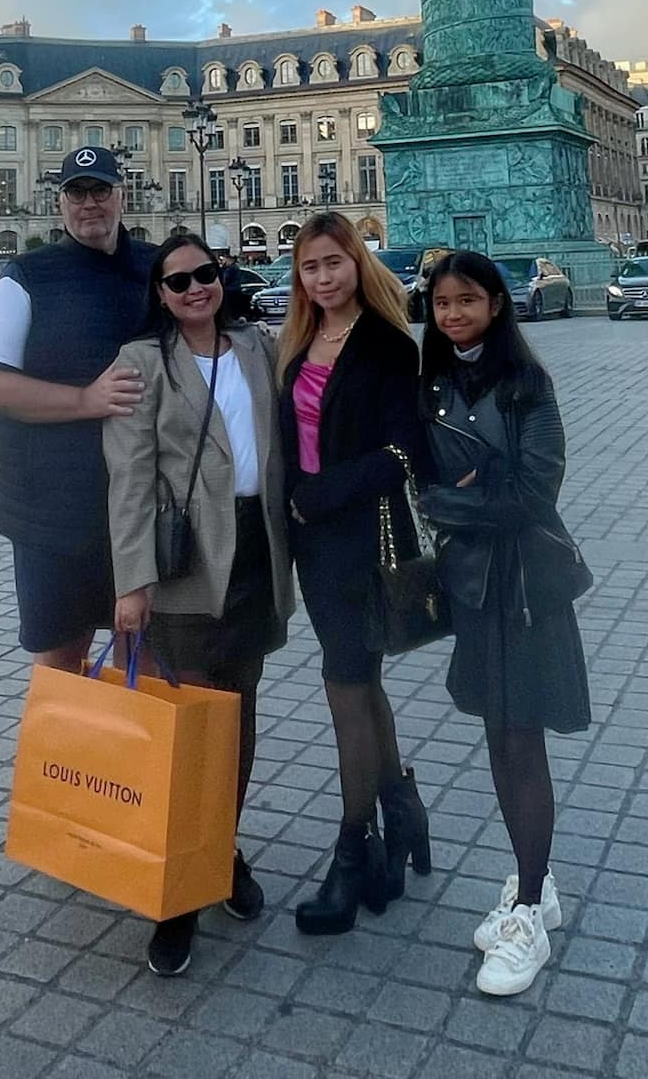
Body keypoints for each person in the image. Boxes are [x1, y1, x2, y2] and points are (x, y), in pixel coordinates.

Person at [104, 231, 294, 978]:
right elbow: (128, 478)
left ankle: (219, 853)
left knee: (237, 721)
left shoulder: (256, 347)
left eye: (204, 275)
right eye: (177, 281)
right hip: (184, 562)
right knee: (188, 733)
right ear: (160, 294)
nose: (194, 289)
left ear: (222, 278)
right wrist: (131, 581)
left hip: (255, 555)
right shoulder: (142, 362)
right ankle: (176, 896)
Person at [417, 252, 592, 999]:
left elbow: (532, 491)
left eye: (467, 301)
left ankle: (528, 912)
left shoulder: (526, 383)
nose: (453, 314)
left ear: (496, 304)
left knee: (521, 738)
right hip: (472, 586)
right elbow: (422, 479)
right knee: (498, 732)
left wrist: (451, 499)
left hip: (522, 586)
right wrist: (459, 491)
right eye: (442, 303)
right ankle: (534, 884)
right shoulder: (434, 382)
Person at [278, 210, 429, 935]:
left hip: (364, 535)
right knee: (361, 682)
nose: (323, 277)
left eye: (333, 262)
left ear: (357, 262)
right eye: (310, 267)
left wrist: (320, 494)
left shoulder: (389, 344)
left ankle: (353, 848)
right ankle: (403, 812)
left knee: (345, 684)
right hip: (313, 543)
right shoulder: (298, 339)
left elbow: (403, 453)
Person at [0, 147, 156, 670]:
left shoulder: (157, 267)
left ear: (122, 195)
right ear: (60, 203)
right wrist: (85, 400)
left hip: (142, 508)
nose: (89, 203)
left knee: (142, 660)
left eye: (100, 190)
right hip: (52, 515)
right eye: (76, 192)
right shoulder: (24, 277)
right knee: (62, 664)